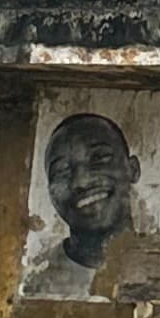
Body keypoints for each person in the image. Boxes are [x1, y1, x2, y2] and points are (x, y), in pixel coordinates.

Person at [41, 108, 139, 273]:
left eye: (99, 158)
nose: (82, 181)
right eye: (61, 170)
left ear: (133, 170)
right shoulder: (36, 281)